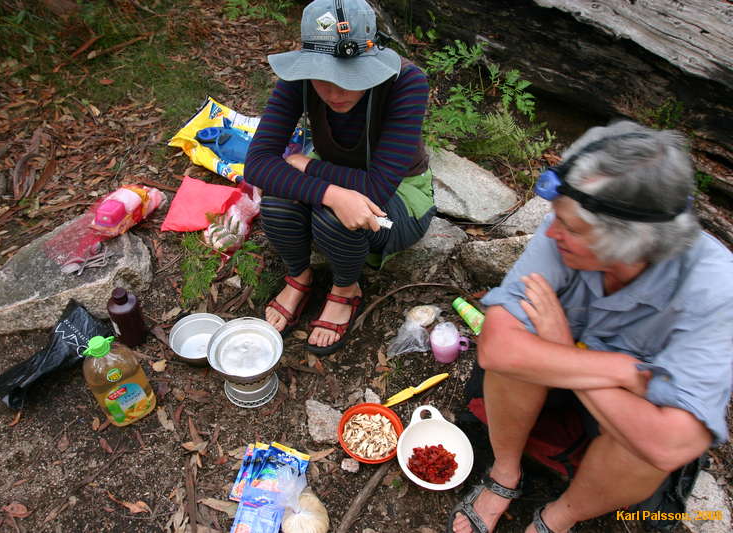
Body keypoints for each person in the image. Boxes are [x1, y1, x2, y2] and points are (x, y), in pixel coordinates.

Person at [448, 121, 733, 533]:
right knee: (516, 359)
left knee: (642, 450)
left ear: (630, 244)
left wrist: (564, 347)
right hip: (618, 385)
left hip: (630, 416)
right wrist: (614, 368)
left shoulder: (716, 289)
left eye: (572, 229)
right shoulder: (568, 222)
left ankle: (558, 517)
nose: (550, 231)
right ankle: (504, 475)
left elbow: (670, 444)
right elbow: (497, 346)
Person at [244, 0, 435, 354]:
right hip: (342, 184)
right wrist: (333, 192)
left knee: (333, 215)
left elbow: (377, 188)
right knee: (276, 195)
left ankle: (346, 289)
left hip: (401, 195)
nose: (334, 93)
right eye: (323, 78)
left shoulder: (406, 82)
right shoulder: (299, 79)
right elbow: (256, 164)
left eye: (350, 78)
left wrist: (311, 168)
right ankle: (300, 275)